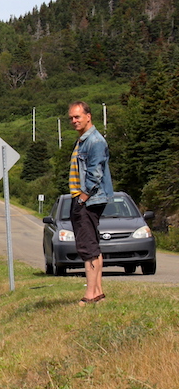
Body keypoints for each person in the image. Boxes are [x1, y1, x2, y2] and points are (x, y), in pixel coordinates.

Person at [67, 101, 113, 304]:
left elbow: (95, 174)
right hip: (84, 198)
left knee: (87, 248)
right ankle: (99, 292)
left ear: (88, 116)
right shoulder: (83, 140)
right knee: (92, 245)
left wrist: (82, 199)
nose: (74, 121)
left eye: (77, 117)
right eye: (71, 118)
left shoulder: (95, 141)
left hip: (87, 199)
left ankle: (90, 295)